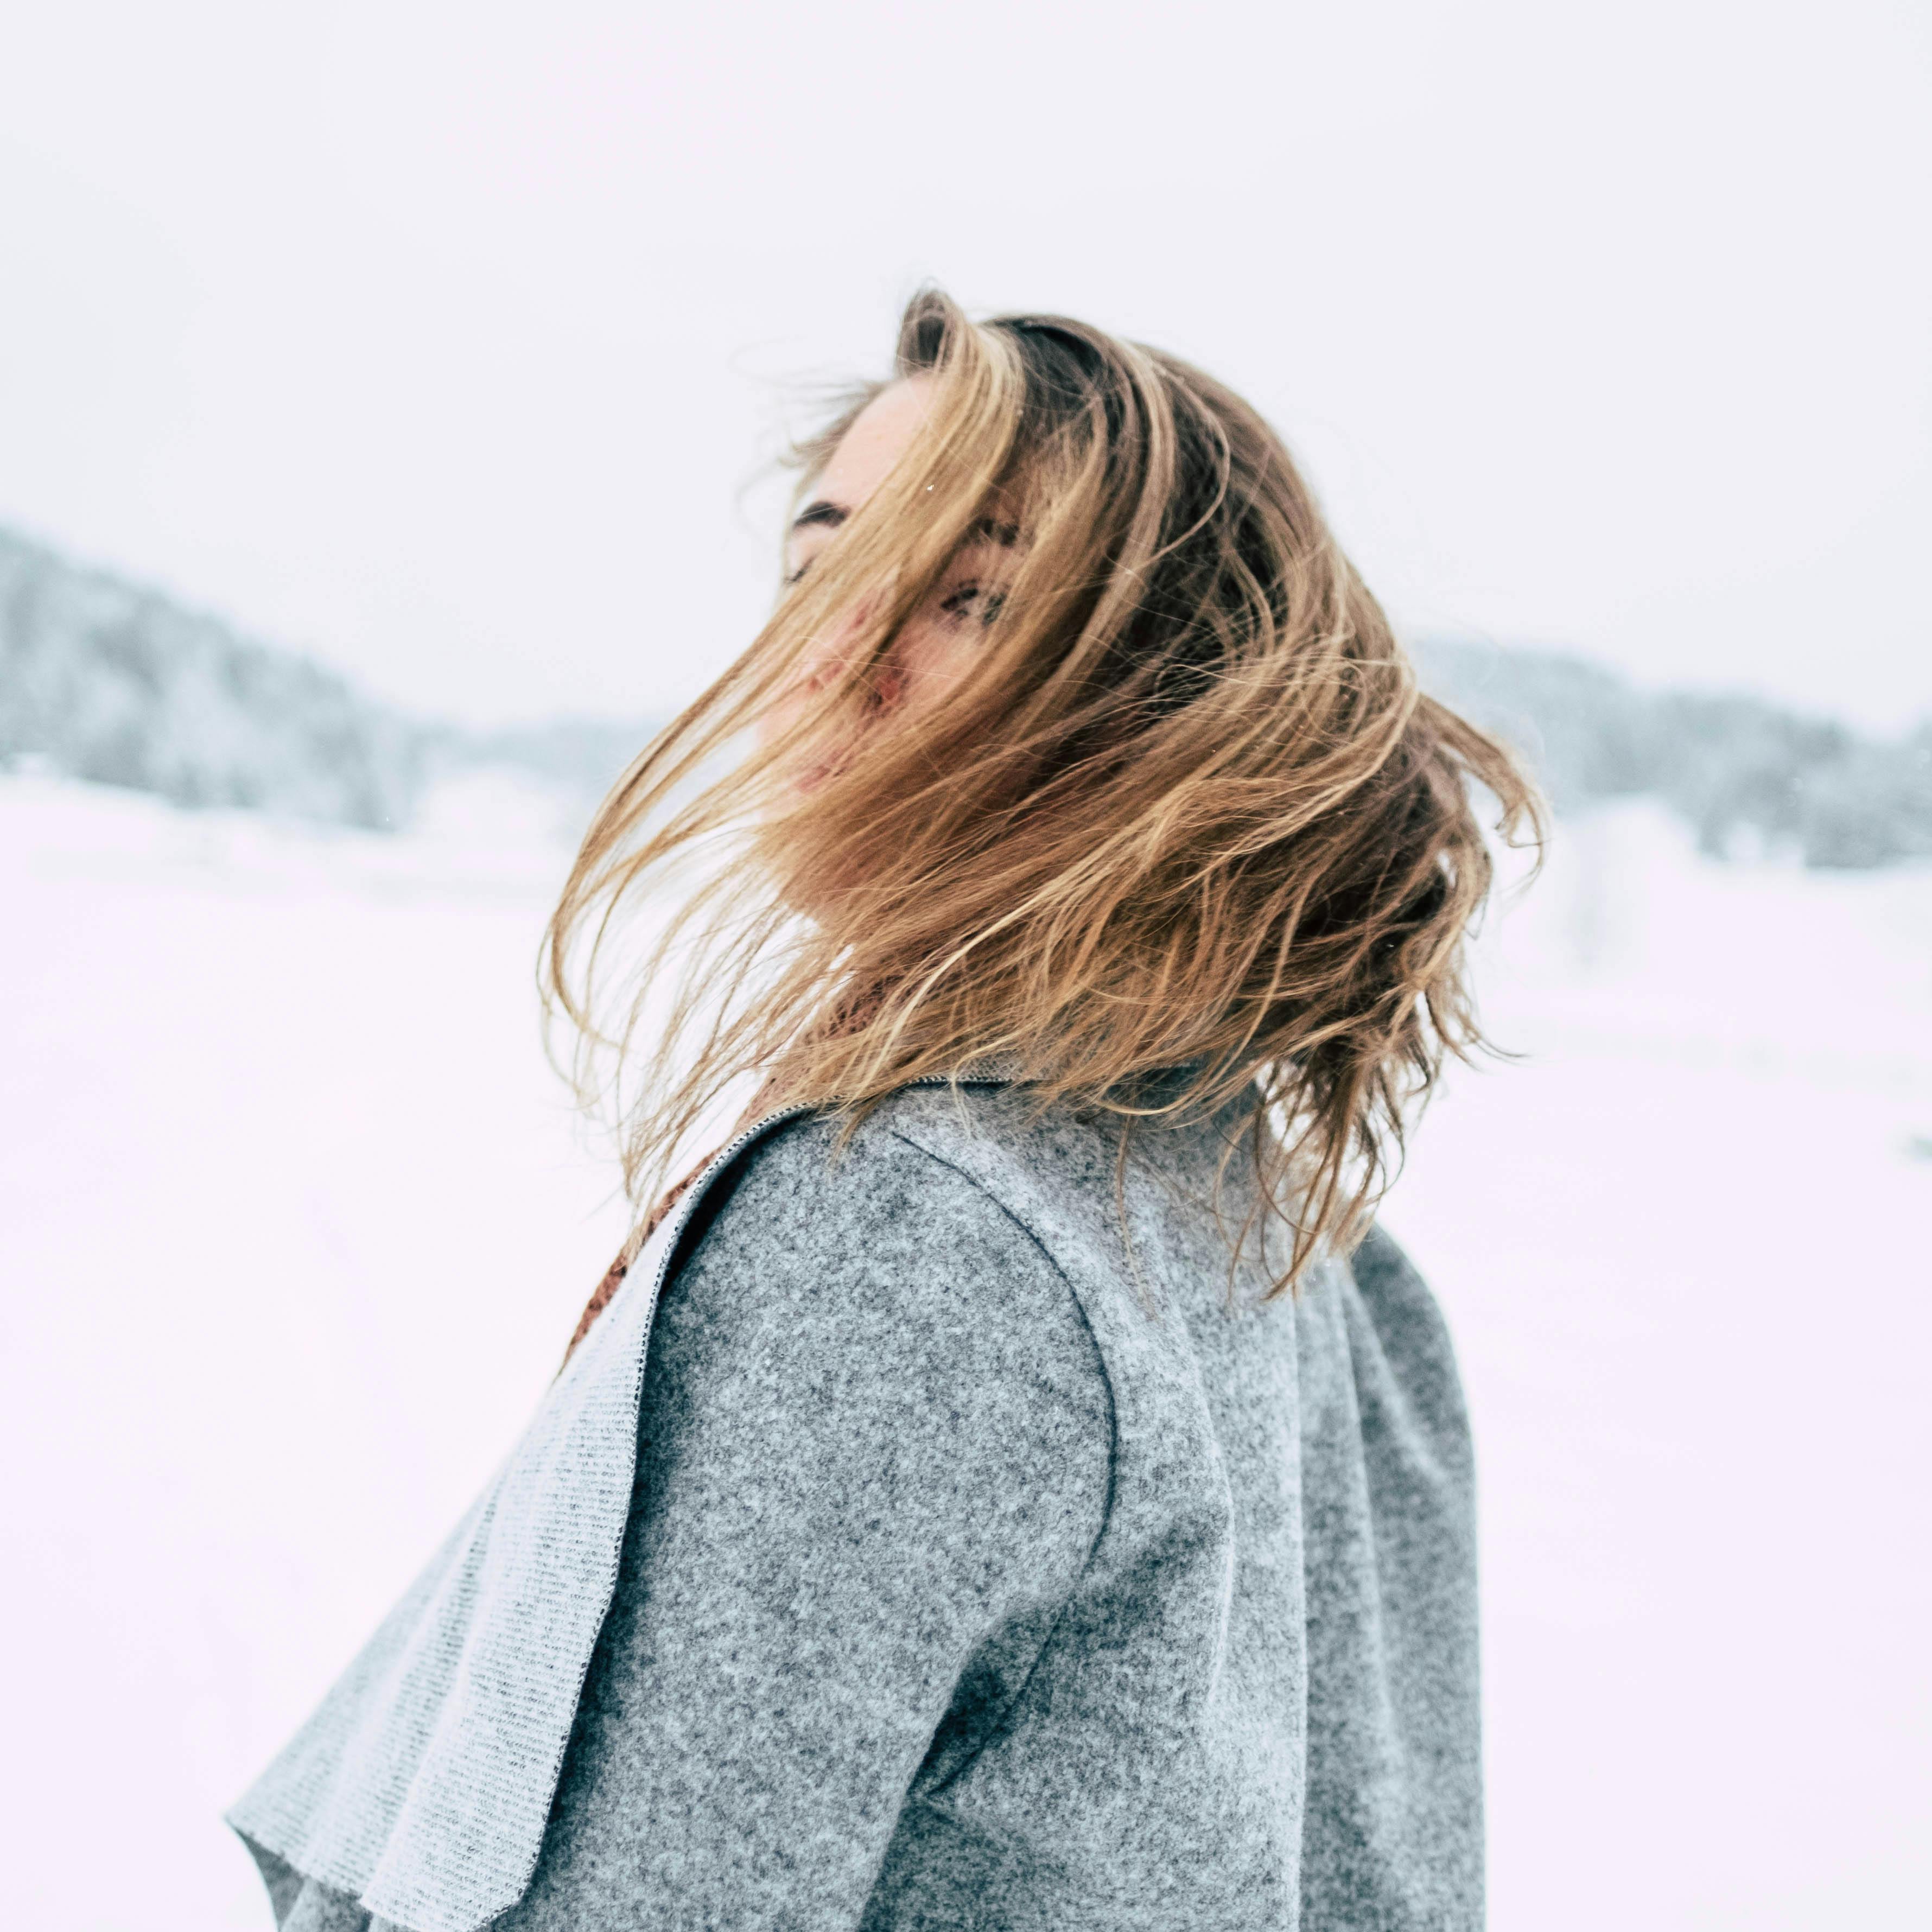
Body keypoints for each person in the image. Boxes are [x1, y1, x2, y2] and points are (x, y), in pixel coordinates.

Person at [226, 288, 1540, 1932]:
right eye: (823, 562)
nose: (840, 649)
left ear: (1182, 696)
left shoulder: (915, 1234)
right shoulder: (1310, 1250)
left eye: (977, 593)